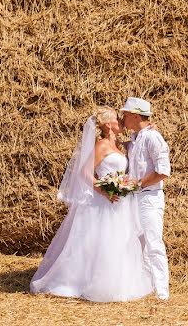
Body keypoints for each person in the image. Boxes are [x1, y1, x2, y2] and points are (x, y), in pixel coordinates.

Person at [30, 107, 153, 302]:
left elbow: (138, 145)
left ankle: (118, 281)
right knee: (100, 242)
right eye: (116, 118)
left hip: (120, 202)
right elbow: (85, 173)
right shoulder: (102, 145)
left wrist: (147, 129)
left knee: (119, 241)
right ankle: (84, 282)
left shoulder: (121, 145)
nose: (121, 120)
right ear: (107, 124)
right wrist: (104, 190)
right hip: (103, 202)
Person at [119, 97, 171, 301]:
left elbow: (163, 171)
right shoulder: (135, 138)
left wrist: (138, 184)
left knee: (153, 243)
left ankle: (161, 292)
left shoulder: (153, 138)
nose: (123, 118)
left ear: (135, 115)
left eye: (125, 114)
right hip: (135, 198)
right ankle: (146, 287)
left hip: (149, 198)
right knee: (139, 244)